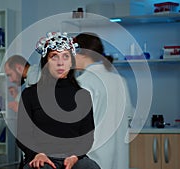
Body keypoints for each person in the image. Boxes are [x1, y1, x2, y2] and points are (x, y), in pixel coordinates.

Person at [16, 32, 101, 169]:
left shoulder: (83, 95)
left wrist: (75, 157)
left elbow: (87, 137)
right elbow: (22, 135)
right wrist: (37, 154)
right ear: (46, 61)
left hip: (73, 158)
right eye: (54, 56)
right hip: (41, 157)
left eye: (65, 56)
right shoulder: (29, 95)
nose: (60, 62)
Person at [74, 32, 134, 169]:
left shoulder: (83, 83)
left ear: (81, 53)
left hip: (94, 157)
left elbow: (77, 125)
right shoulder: (120, 80)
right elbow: (129, 114)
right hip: (120, 159)